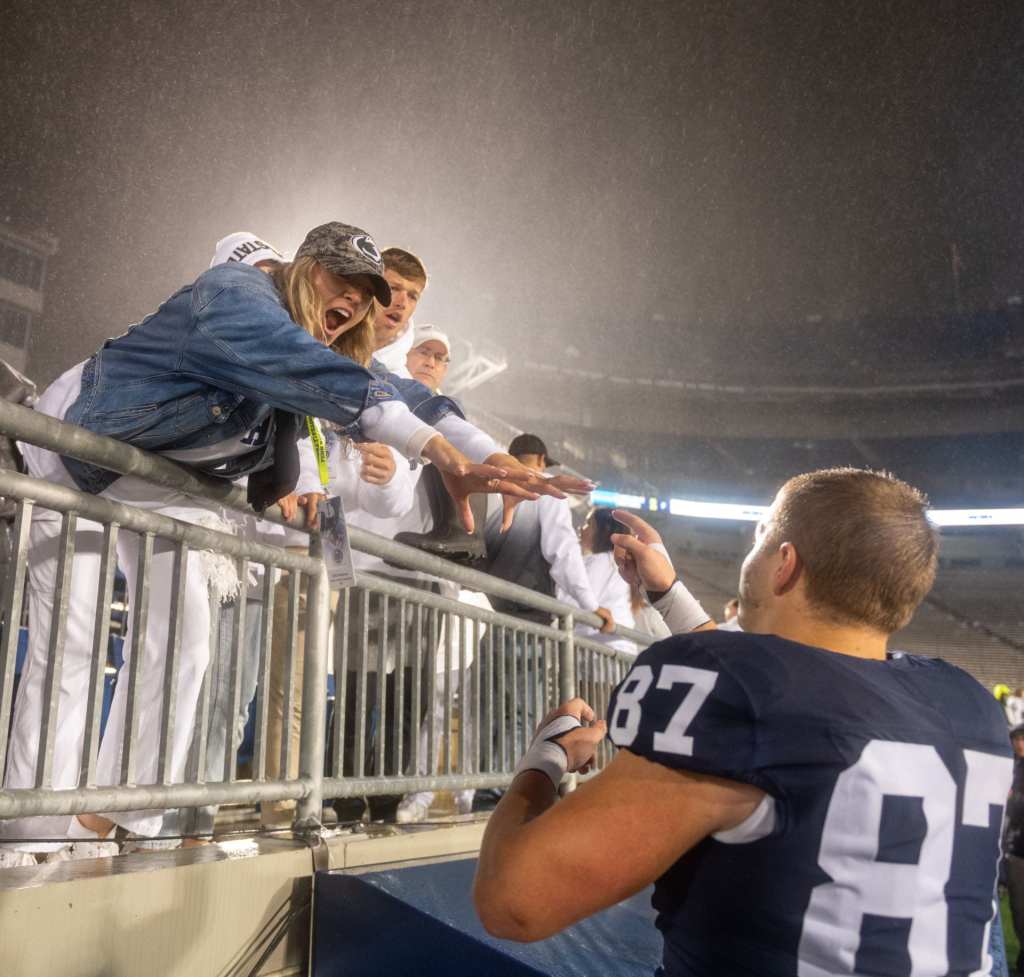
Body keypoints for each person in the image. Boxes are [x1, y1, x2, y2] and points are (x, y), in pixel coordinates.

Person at [1, 221, 539, 860]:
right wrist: (435, 450)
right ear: (300, 268)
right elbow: (314, 370)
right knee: (75, 645)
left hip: (155, 480)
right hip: (75, 463)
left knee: (186, 642)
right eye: (340, 282)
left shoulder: (309, 338)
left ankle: (110, 816)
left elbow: (402, 391)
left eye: (364, 296)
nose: (353, 304)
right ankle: (31, 827)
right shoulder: (233, 291)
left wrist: (492, 456)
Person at [475, 468, 1013, 977]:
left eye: (760, 537)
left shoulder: (742, 692)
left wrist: (547, 755)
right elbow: (797, 696)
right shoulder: (968, 706)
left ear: (785, 562)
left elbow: (515, 904)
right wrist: (668, 593)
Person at [577, 507, 637, 656]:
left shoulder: (599, 561)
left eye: (588, 523)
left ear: (604, 531)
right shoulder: (622, 565)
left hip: (598, 652)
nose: (581, 528)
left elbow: (574, 599)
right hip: (618, 652)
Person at [1005, 725, 1024, 976]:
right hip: (1014, 849)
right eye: (1017, 739)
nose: (1020, 744)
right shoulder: (1009, 767)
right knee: (1019, 911)